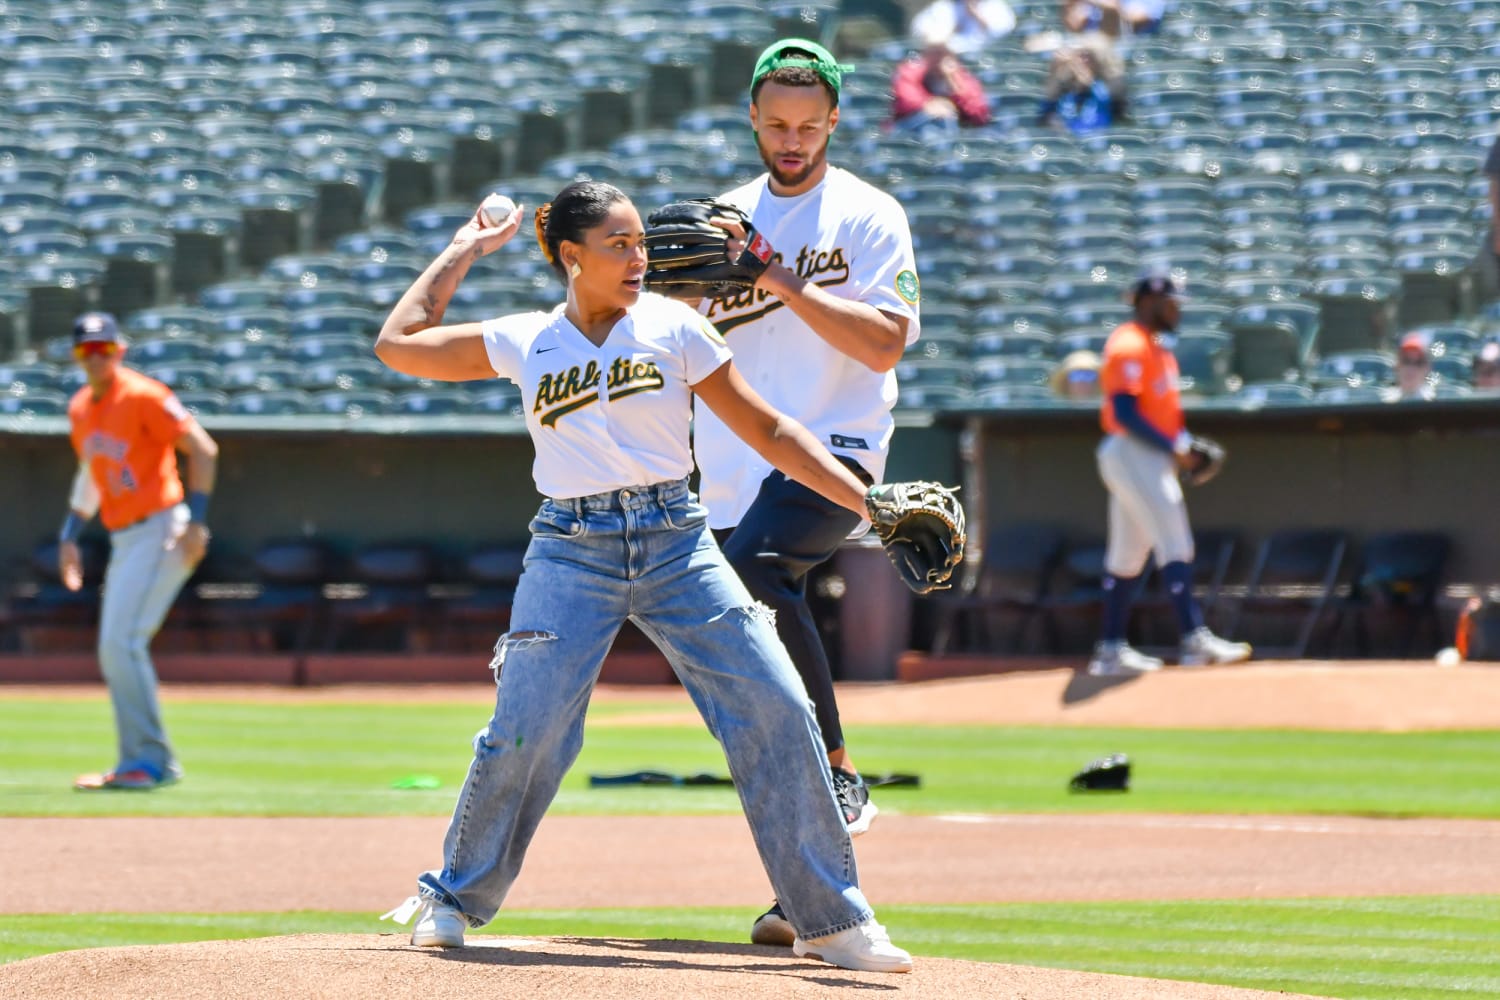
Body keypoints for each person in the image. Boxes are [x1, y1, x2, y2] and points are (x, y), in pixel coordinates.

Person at [371, 181, 913, 974]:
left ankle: (831, 918)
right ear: (570, 256)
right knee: (526, 730)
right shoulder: (527, 339)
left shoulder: (677, 325)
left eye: (641, 243)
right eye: (619, 244)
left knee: (778, 701)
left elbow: (770, 428)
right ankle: (451, 897)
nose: (640, 257)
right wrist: (465, 248)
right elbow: (398, 343)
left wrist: (870, 503)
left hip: (676, 544)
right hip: (569, 547)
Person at [681, 38, 922, 949]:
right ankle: (807, 891)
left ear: (833, 121)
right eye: (776, 124)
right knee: (748, 679)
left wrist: (775, 274)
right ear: (751, 116)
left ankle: (838, 764)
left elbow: (885, 345)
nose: (791, 140)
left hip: (839, 453)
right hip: (733, 469)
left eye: (808, 126)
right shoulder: (720, 220)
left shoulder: (866, 213)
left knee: (754, 576)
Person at [61, 311, 219, 790]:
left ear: (119, 351)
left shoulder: (145, 395)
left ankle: (148, 761)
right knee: (119, 646)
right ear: (76, 356)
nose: (95, 357)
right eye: (86, 350)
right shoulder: (81, 410)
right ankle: (147, 760)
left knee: (120, 644)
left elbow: (203, 449)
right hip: (125, 537)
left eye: (103, 348)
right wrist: (70, 534)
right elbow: (93, 475)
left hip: (161, 528)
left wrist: (197, 521)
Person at [1089, 271, 1252, 676]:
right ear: (1149, 303)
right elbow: (1126, 413)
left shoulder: (1158, 349)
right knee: (1174, 539)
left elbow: (1158, 415)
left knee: (1127, 556)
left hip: (1146, 454)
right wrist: (1179, 447)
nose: (1178, 309)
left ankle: (1110, 649)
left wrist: (1185, 444)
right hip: (1130, 451)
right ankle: (1195, 640)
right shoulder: (1128, 344)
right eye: (1172, 302)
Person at [890, 28, 993, 138]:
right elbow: (906, 97)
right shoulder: (910, 71)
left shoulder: (963, 78)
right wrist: (928, 104)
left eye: (942, 52)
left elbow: (978, 113)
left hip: (956, 131)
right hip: (914, 126)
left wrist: (952, 81)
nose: (938, 57)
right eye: (933, 52)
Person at [1039, 34, 1127, 135]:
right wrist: (1055, 71)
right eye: (1080, 55)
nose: (1083, 60)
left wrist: (1091, 85)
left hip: (1098, 141)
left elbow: (1113, 106)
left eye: (1088, 55)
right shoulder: (1064, 87)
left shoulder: (1110, 87)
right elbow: (1047, 107)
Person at [909, 0, 1017, 56]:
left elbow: (1005, 30)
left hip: (985, 57)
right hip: (948, 59)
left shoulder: (996, 6)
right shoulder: (945, 6)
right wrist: (948, 30)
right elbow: (917, 29)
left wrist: (977, 17)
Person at [1061, 0, 1168, 38]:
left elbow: (1136, 19)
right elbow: (1073, 24)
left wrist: (1102, 4)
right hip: (1089, 46)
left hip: (1125, 45)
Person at [1386, 331, 1436, 402]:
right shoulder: (1384, 404)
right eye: (1406, 361)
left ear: (1427, 368)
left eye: (1419, 362)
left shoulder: (1435, 405)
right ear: (1397, 366)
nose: (1412, 368)